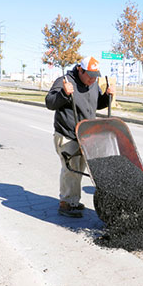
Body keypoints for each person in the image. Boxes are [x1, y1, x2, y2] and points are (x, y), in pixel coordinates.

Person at [45, 56, 115, 218]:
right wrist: (63, 93)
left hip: (86, 135)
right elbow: (50, 103)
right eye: (89, 75)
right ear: (80, 70)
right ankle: (66, 203)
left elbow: (95, 105)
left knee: (80, 168)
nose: (92, 79)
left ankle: (73, 200)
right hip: (68, 134)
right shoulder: (64, 81)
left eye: (95, 76)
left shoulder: (93, 84)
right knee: (71, 169)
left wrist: (107, 97)